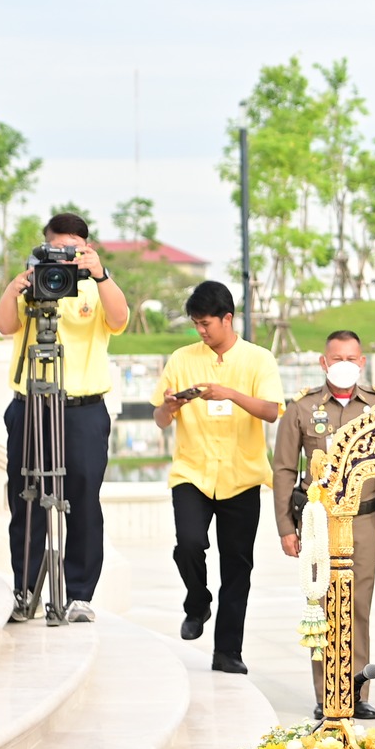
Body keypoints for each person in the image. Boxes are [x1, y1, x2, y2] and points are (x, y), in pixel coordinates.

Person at [0, 211, 127, 624]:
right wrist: (16, 287)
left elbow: (120, 319)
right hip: (31, 404)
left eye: (73, 250)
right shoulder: (32, 283)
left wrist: (100, 275)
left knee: (84, 501)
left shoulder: (95, 288)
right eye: (57, 249)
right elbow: (5, 325)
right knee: (26, 497)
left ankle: (80, 595)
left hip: (83, 409)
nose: (64, 259)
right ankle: (25, 590)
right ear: (44, 246)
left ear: (87, 248)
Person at [273, 330, 375, 718]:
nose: (344, 364)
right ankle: (326, 693)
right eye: (337, 358)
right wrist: (285, 527)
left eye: (351, 358)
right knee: (321, 605)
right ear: (324, 362)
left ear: (362, 362)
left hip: (365, 520)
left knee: (359, 606)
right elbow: (284, 469)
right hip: (319, 521)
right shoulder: (302, 408)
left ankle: (356, 691)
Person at [154, 281, 282, 674]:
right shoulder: (181, 359)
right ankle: (197, 602)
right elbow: (160, 418)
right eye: (195, 324)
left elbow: (271, 411)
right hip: (191, 472)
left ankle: (227, 652)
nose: (200, 331)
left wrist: (231, 394)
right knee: (189, 543)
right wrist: (170, 406)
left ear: (227, 318)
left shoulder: (259, 359)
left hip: (242, 476)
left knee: (237, 567)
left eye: (206, 323)